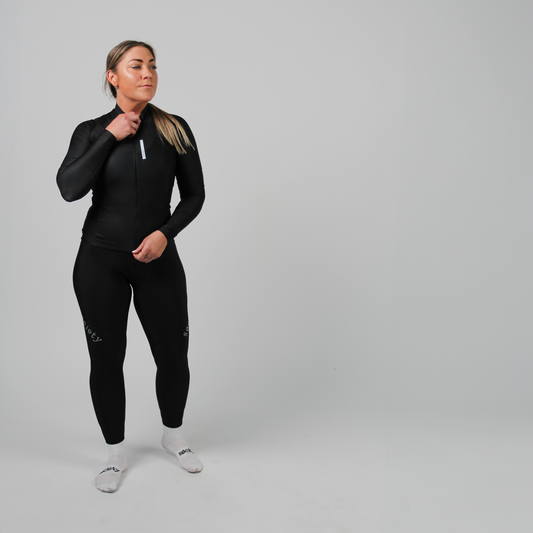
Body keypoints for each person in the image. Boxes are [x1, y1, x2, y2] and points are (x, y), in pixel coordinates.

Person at [57, 40, 205, 493]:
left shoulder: (175, 128)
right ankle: (115, 455)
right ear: (113, 77)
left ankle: (173, 436)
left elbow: (195, 195)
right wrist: (110, 135)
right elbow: (69, 189)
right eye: (136, 66)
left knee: (173, 353)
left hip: (158, 260)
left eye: (152, 66)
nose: (147, 73)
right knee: (106, 358)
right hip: (100, 262)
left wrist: (165, 234)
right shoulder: (90, 131)